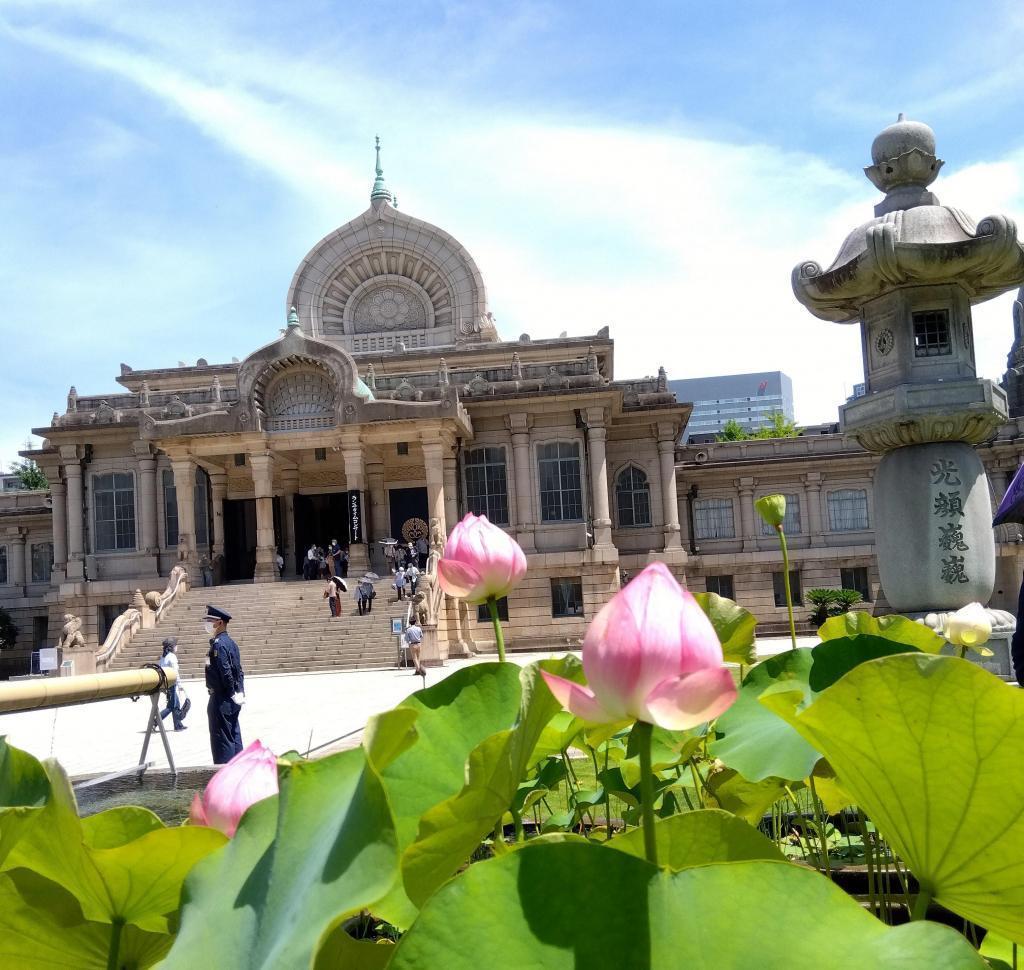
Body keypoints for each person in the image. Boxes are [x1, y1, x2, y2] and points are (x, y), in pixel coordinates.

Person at [204, 605, 245, 764]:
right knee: (234, 736)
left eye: (210, 621)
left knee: (222, 740)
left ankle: (225, 774)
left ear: (219, 623)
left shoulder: (219, 644)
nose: (207, 624)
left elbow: (226, 670)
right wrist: (239, 692)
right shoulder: (231, 643)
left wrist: (230, 691)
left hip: (221, 697)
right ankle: (239, 770)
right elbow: (239, 671)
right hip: (232, 697)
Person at [158, 637, 187, 731]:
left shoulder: (163, 657)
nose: (177, 647)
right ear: (172, 647)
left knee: (176, 704)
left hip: (166, 684)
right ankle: (156, 720)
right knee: (171, 706)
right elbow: (175, 673)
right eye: (175, 645)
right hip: (172, 684)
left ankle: (178, 725)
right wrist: (180, 685)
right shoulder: (172, 657)